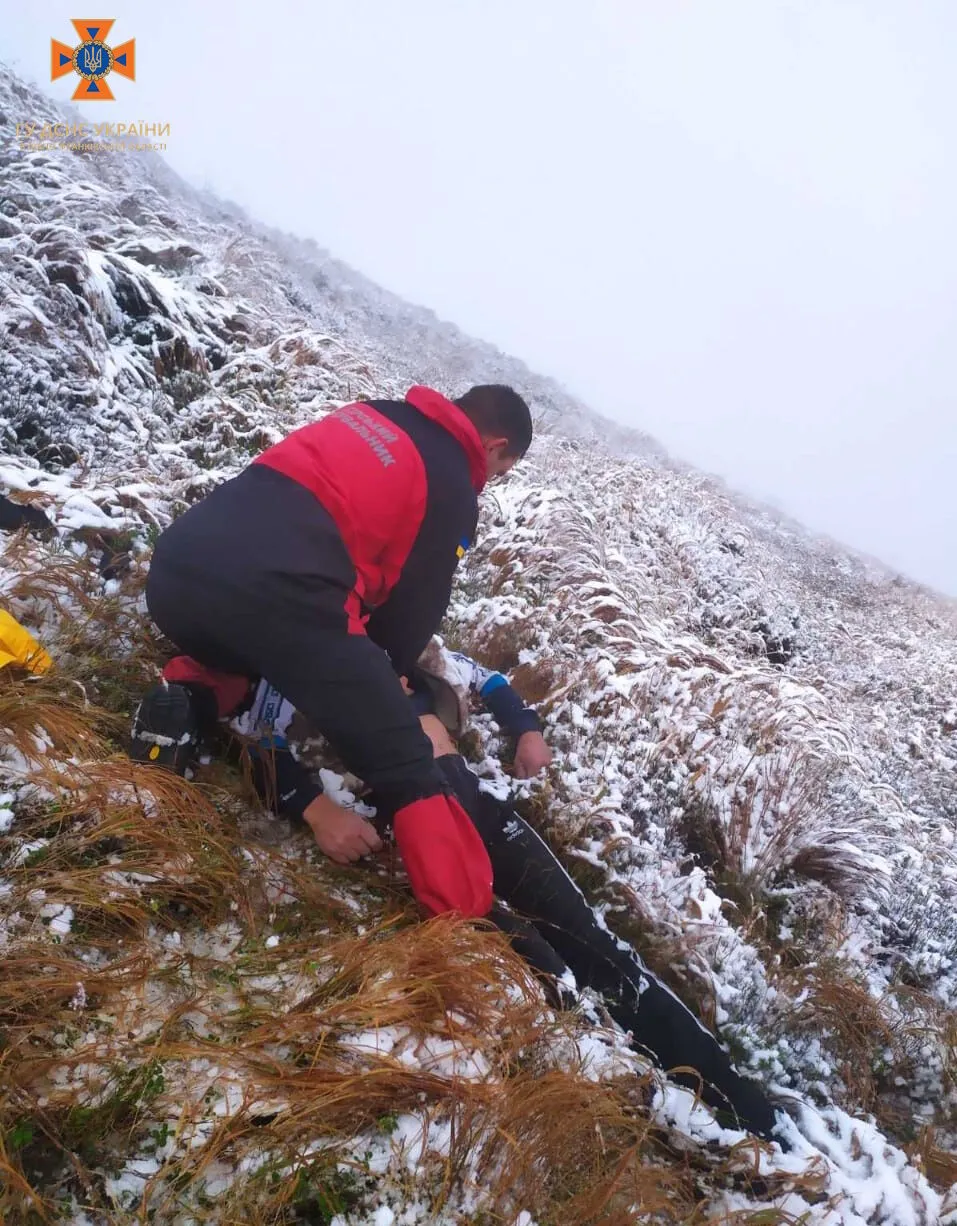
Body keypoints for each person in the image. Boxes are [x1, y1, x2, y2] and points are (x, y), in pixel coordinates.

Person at [151, 640, 783, 1145]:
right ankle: (652, 1123)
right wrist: (314, 808)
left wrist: (526, 728)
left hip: (472, 800)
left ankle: (747, 1113)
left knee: (601, 950)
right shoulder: (281, 652)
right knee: (551, 980)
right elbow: (224, 722)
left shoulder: (407, 636)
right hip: (403, 825)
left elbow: (490, 682)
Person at [132, 384, 533, 919]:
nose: (492, 481)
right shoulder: (452, 483)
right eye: (502, 469)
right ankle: (462, 912)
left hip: (177, 577)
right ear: (494, 444)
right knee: (401, 756)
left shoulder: (373, 414)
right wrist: (383, 682)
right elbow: (416, 604)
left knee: (263, 653)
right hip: (279, 594)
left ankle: (191, 695)